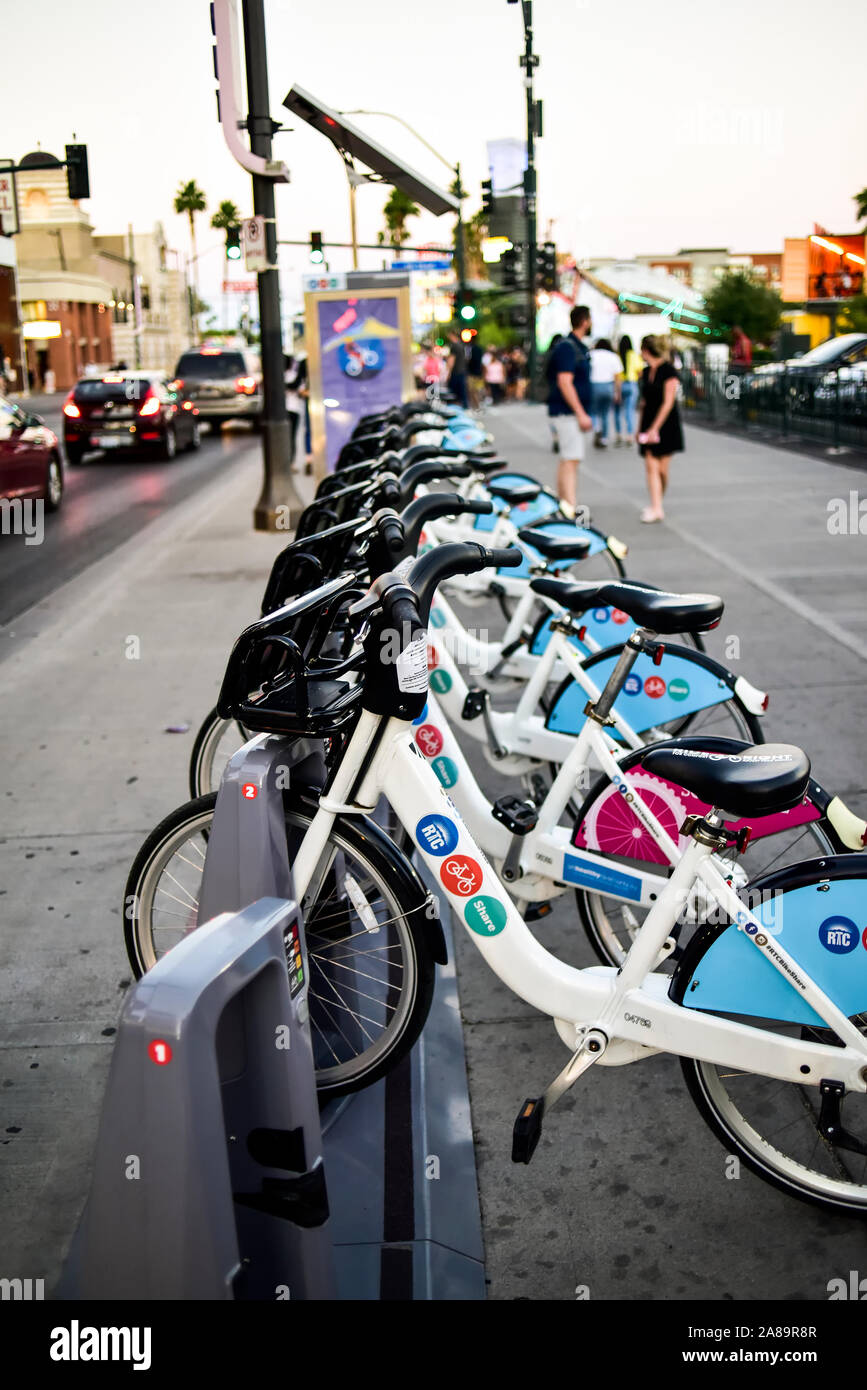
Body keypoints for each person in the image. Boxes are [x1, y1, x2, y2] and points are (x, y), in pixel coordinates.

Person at [546, 304, 594, 510]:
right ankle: (570, 507)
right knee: (571, 459)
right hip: (567, 412)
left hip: (567, 411)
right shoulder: (568, 347)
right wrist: (580, 413)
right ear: (584, 321)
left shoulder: (574, 346)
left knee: (568, 457)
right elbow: (565, 382)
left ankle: (564, 504)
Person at [636, 334, 684, 524]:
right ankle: (656, 507)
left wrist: (655, 428)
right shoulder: (646, 372)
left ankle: (657, 502)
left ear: (646, 350)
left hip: (666, 424)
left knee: (662, 469)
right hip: (648, 421)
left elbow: (668, 402)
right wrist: (641, 427)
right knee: (651, 466)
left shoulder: (669, 371)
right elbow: (644, 402)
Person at [589, 337, 623, 448]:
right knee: (605, 414)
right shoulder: (613, 357)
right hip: (608, 387)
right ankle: (604, 439)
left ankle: (597, 428)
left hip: (593, 386)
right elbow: (617, 377)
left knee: (593, 412)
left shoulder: (591, 355)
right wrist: (618, 392)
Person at [614, 334, 642, 444]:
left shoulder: (617, 356)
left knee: (617, 411)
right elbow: (640, 372)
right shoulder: (634, 355)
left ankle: (618, 435)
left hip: (618, 384)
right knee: (629, 411)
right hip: (631, 384)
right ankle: (629, 435)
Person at [284, 352, 306, 467]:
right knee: (292, 437)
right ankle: (291, 463)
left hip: (285, 410)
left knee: (286, 438)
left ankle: (288, 462)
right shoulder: (293, 375)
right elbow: (302, 392)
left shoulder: (276, 377)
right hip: (294, 409)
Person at [446, 334, 468, 408]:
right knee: (462, 391)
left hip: (456, 372)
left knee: (453, 393)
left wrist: (448, 373)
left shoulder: (454, 346)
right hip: (462, 371)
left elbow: (451, 360)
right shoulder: (462, 345)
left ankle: (456, 408)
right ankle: (464, 406)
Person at [466, 336, 484, 408]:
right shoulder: (480, 349)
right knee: (478, 390)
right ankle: (478, 405)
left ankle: (476, 406)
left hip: (472, 373)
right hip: (479, 373)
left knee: (472, 391)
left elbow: (470, 361)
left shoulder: (471, 349)